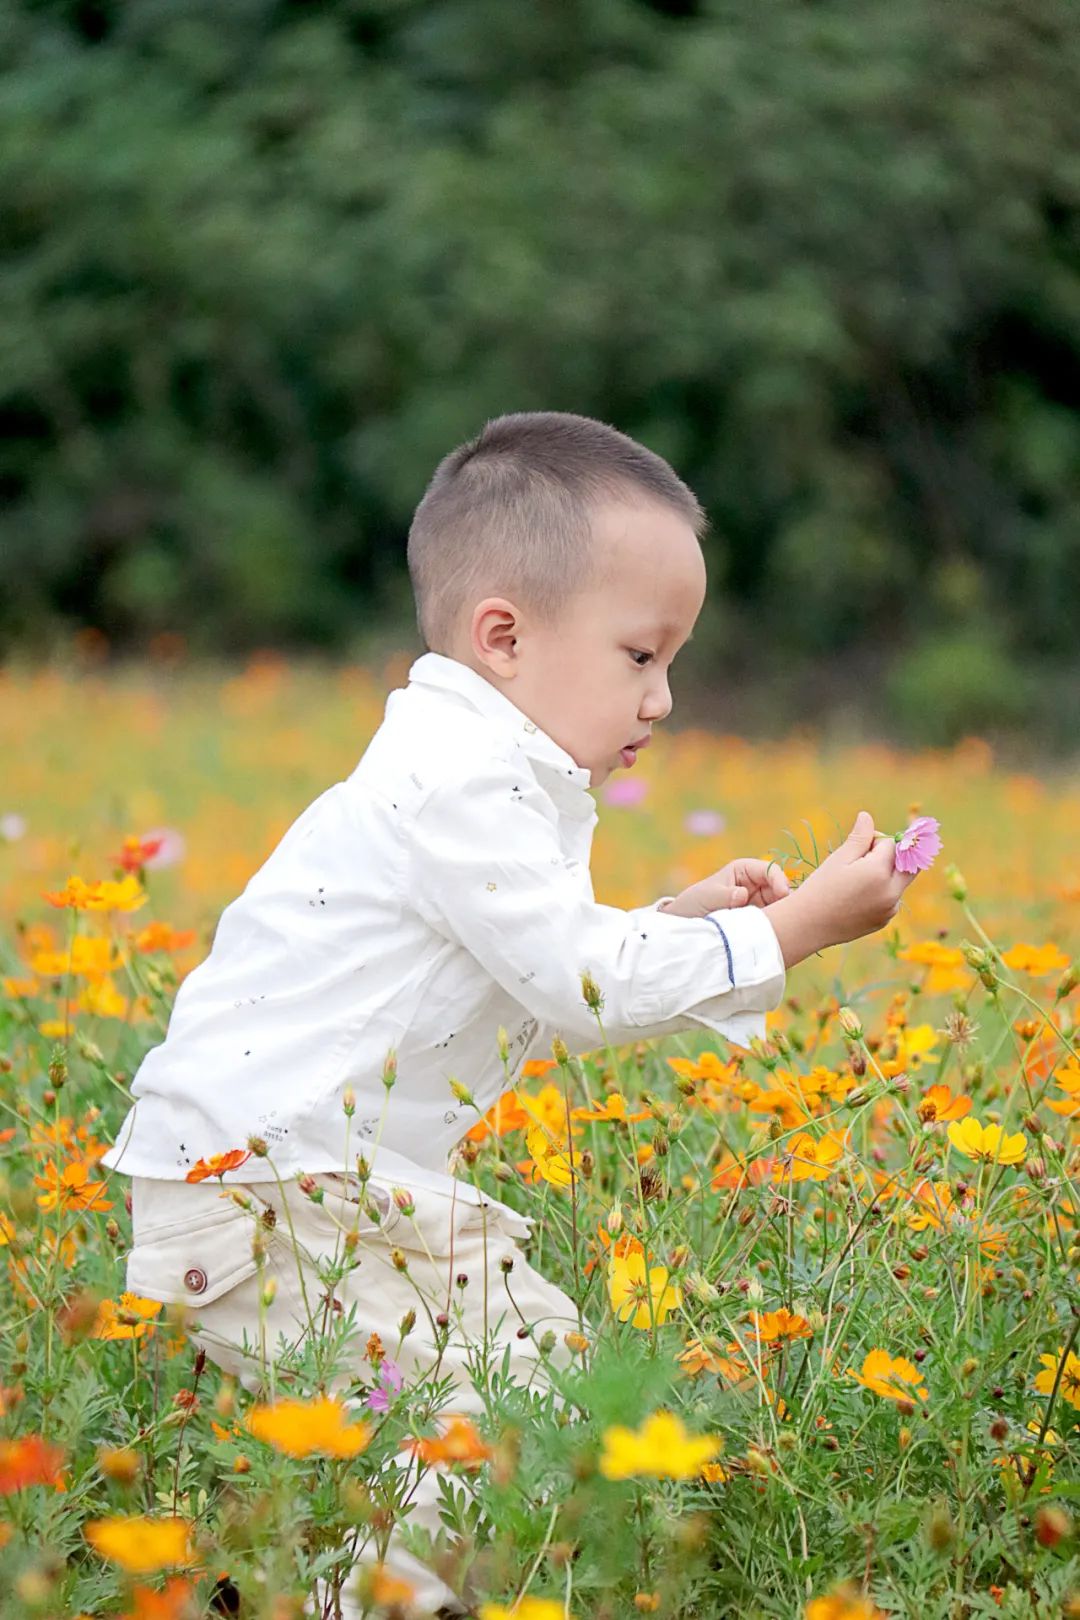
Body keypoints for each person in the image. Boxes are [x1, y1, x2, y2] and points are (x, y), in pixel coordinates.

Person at [100, 411, 917, 1618]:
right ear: (504, 637)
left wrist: (681, 925)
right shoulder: (458, 778)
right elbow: (583, 987)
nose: (668, 696)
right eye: (642, 656)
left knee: (547, 1382)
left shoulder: (484, 771)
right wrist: (792, 931)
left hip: (327, 1183)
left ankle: (308, 1588)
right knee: (484, 1422)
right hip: (263, 1185)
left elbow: (545, 955)